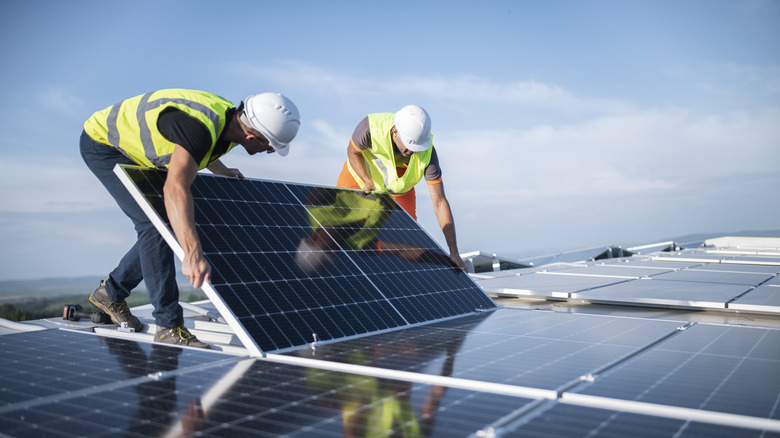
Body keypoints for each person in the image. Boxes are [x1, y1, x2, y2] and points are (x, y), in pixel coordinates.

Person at [80, 88, 300, 348]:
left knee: (173, 222)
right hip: (105, 144)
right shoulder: (200, 127)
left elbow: (199, 147)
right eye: (271, 145)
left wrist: (221, 169)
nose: (271, 151)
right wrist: (192, 254)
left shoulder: (232, 121)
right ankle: (168, 325)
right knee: (155, 225)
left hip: (139, 152)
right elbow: (175, 186)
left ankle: (110, 294)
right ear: (252, 136)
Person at [336, 105, 466, 270]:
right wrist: (366, 180)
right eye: (408, 146)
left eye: (416, 148)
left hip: (399, 188)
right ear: (395, 131)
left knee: (407, 236)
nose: (412, 152)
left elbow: (439, 202)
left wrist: (453, 251)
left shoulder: (428, 154)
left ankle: (391, 277)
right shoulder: (370, 126)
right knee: (340, 228)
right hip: (359, 178)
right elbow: (352, 152)